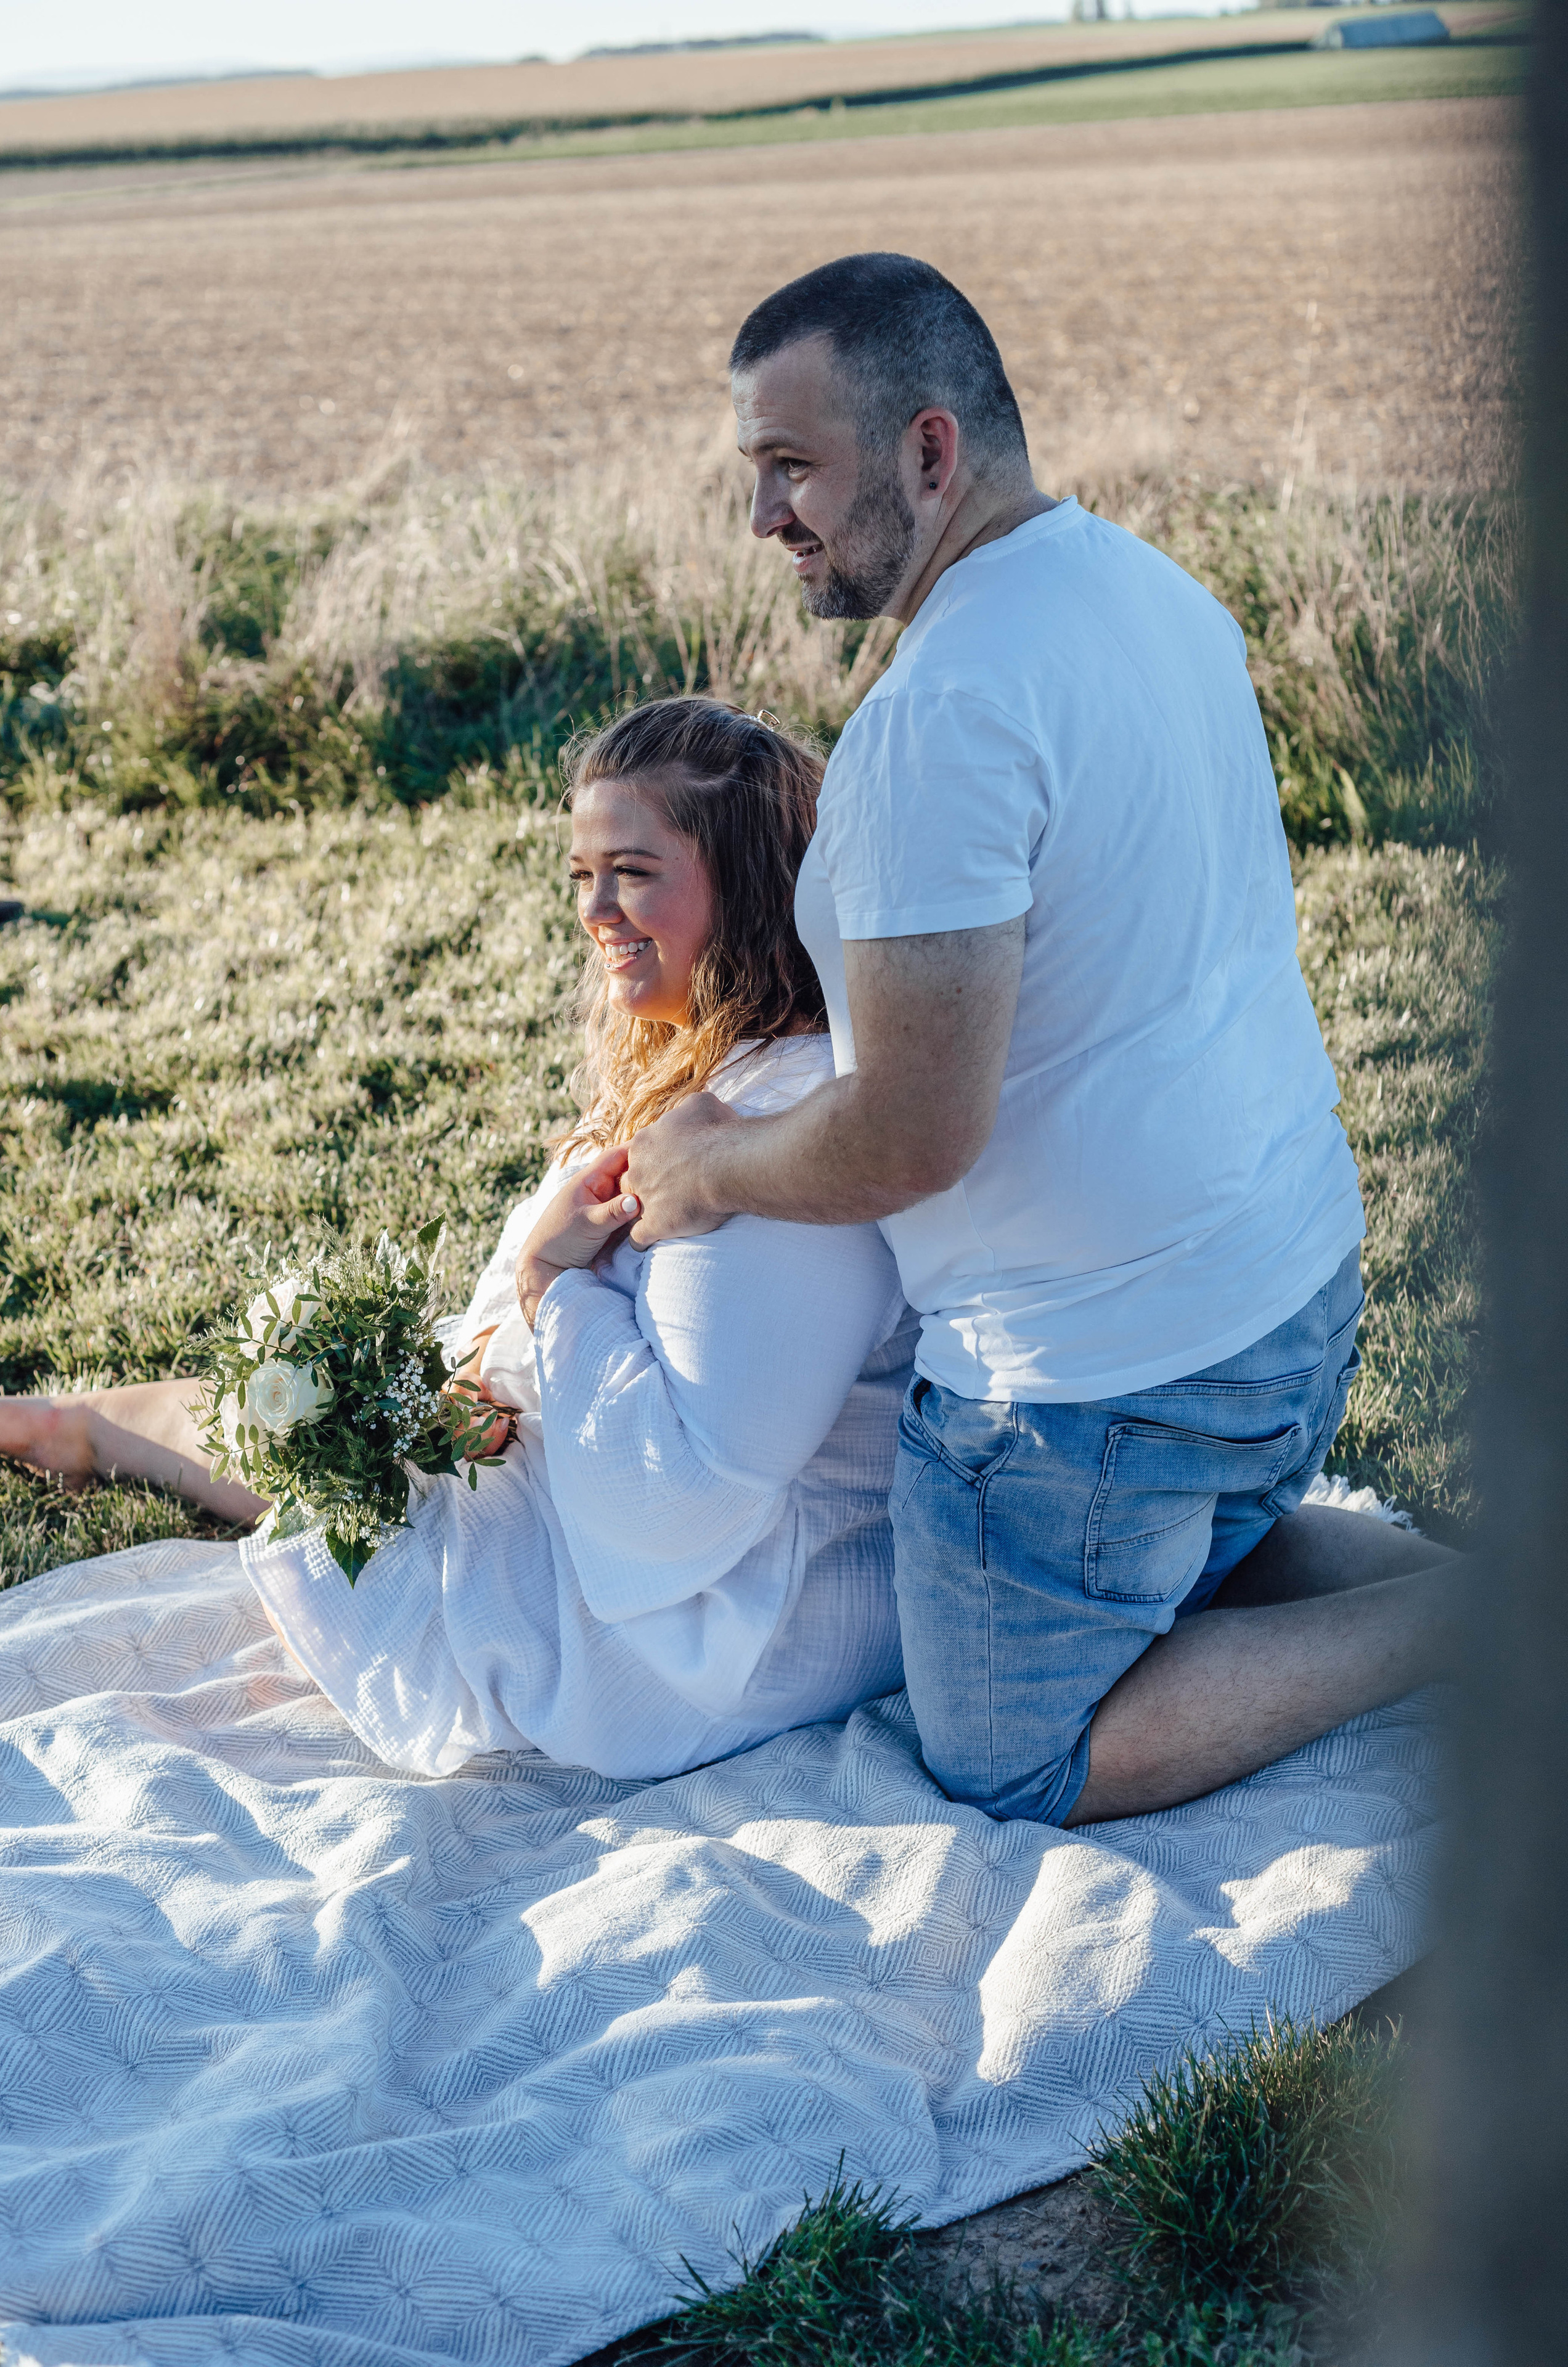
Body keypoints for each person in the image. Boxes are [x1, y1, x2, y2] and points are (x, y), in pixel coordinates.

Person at [613, 253, 1468, 1828]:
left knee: (1008, 1758)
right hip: (1290, 1301)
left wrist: (711, 1168)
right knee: (1193, 1552)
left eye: (790, 469)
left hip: (1107, 1389)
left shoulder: (942, 714)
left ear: (929, 453)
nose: (763, 521)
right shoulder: (1153, 592)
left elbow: (908, 1135)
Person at [0, 698, 915, 1782]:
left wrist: (547, 1284)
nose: (596, 911)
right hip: (644, 1537)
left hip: (700, 1637)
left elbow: (673, 1506)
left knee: (363, 1497)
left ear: (755, 884)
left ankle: (80, 1428)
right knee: (340, 1428)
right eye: (582, 876)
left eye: (633, 870)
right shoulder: (725, 1073)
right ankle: (77, 1425)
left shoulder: (768, 1138)